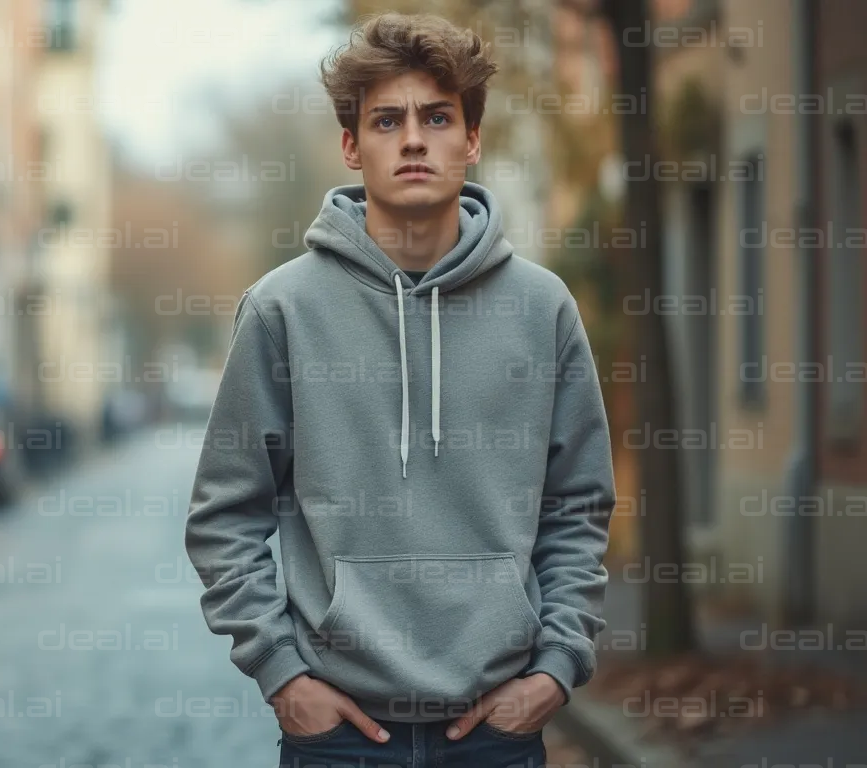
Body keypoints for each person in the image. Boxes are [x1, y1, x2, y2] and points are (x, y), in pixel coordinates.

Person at [183, 12, 616, 767]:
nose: (413, 138)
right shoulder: (283, 309)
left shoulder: (542, 310)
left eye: (437, 117)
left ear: (471, 140)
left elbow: (577, 506)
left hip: (497, 733)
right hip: (339, 740)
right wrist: (282, 674)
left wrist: (556, 666)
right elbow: (226, 514)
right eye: (387, 120)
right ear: (352, 146)